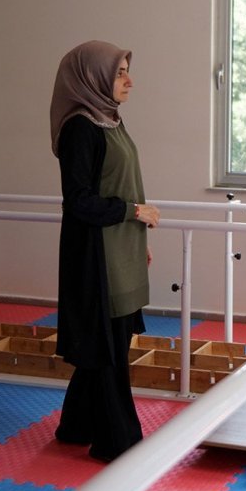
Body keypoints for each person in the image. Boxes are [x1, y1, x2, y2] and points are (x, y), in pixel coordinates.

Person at [49, 40, 161, 462]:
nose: (129, 81)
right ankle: (119, 442)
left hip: (121, 250)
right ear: (92, 77)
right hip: (97, 257)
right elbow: (78, 201)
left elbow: (123, 185)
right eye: (120, 73)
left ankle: (76, 425)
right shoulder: (80, 128)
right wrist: (134, 212)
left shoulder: (111, 120)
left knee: (110, 345)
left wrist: (137, 239)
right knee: (108, 349)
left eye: (127, 71)